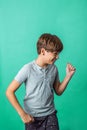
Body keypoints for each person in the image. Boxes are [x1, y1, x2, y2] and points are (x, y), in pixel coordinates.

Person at [6, 33, 76, 130]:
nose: (58, 57)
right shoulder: (27, 69)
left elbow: (58, 91)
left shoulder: (54, 69)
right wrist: (22, 114)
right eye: (55, 53)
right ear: (43, 51)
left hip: (50, 115)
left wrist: (68, 76)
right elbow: (9, 91)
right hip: (32, 118)